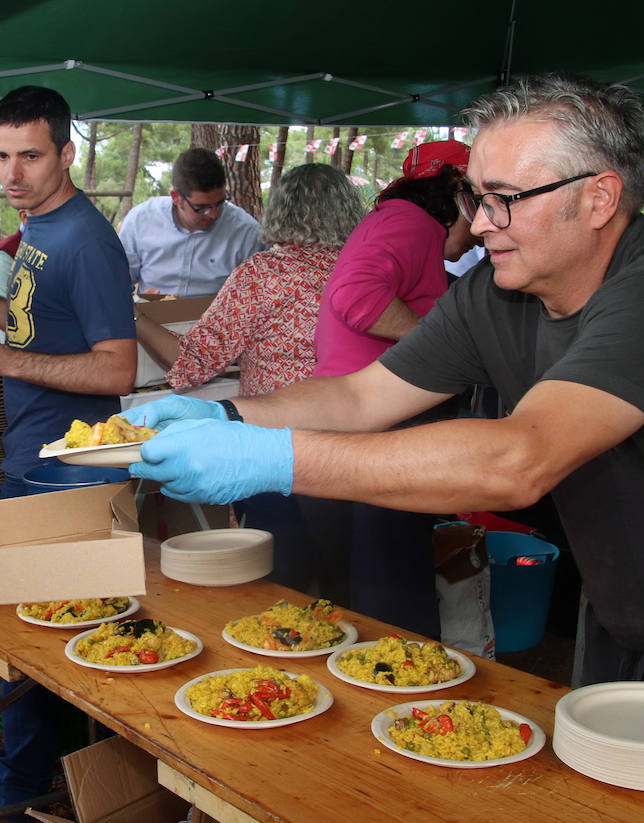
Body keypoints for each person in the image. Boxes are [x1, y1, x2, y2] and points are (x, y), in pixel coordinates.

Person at [125, 76, 644, 729]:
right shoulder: (497, 295)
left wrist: (275, 458)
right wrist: (228, 415)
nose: (481, 222)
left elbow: (521, 457)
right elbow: (359, 395)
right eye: (475, 196)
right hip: (623, 605)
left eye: (507, 199)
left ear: (600, 197)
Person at [0, 85, 135, 823]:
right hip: (34, 456)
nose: (12, 172)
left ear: (67, 153)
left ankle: (27, 803)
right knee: (42, 635)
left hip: (72, 469)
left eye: (30, 155)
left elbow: (115, 364)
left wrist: (4, 357)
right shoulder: (34, 231)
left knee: (50, 639)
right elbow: (28, 324)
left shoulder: (86, 239)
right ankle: (68, 794)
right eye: (1, 155)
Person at [134, 163, 364, 591]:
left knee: (278, 583)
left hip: (271, 447)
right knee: (345, 579)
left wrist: (136, 318)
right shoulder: (365, 272)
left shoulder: (264, 275)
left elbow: (193, 363)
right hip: (352, 445)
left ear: (281, 211)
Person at [297, 140, 480, 635]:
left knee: (359, 580)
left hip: (355, 416)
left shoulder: (394, 220)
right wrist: (435, 343)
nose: (482, 232)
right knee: (391, 578)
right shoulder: (410, 222)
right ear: (455, 194)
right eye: (481, 204)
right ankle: (400, 687)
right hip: (380, 417)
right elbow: (355, 295)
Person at [117, 147, 261, 297]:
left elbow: (257, 296)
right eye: (201, 208)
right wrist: (137, 302)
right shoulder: (141, 220)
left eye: (220, 204)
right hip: (149, 315)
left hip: (218, 318)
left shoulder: (247, 232)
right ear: (176, 197)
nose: (213, 214)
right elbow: (117, 281)